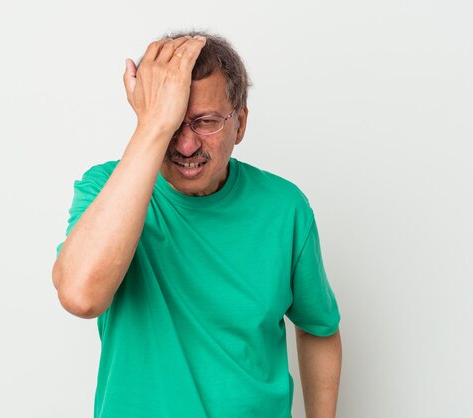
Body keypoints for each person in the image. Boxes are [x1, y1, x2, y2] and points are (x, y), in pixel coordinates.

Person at [53, 30, 342, 418]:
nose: (186, 146)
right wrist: (153, 125)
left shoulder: (284, 207)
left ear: (240, 124)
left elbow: (318, 329)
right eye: (172, 122)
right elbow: (80, 296)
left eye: (204, 121)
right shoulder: (106, 189)